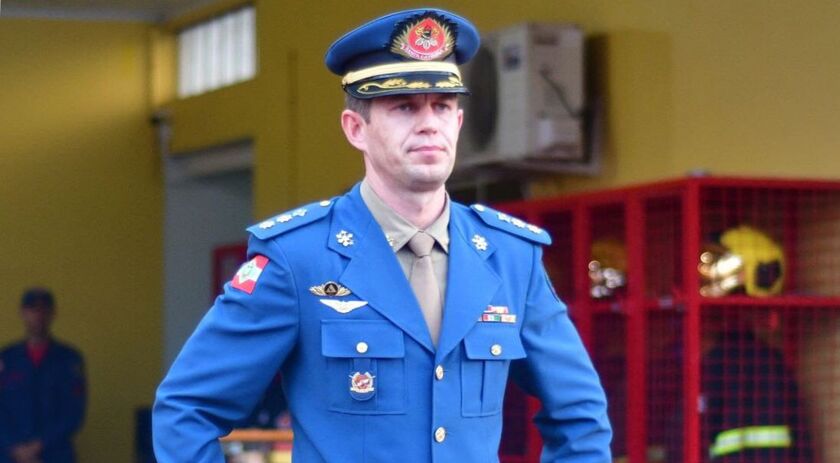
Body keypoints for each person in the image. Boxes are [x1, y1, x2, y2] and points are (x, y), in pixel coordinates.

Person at [153, 8, 612, 462]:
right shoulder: (298, 258)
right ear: (356, 129)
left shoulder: (510, 256)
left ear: (458, 122)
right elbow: (185, 411)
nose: (428, 123)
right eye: (404, 107)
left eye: (442, 106)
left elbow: (580, 414)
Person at [0, 288, 86, 463]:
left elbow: (73, 412)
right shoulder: (7, 358)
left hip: (55, 454)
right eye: (33, 309)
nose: (38, 315)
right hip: (10, 454)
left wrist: (38, 446)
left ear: (53, 313)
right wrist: (16, 448)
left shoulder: (69, 359)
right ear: (23, 313)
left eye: (44, 308)